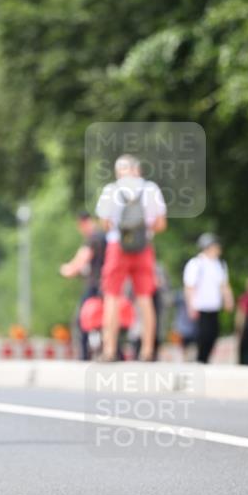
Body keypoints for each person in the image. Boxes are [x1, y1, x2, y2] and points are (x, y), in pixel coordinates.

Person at [95, 154, 167, 361]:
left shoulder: (111, 190)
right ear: (138, 169)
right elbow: (161, 224)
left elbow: (105, 223)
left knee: (112, 297)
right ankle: (147, 350)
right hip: (143, 247)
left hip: (118, 246)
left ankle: (109, 350)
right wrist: (143, 228)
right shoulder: (151, 189)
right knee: (145, 299)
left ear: (119, 171)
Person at [59, 211, 106, 359]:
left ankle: (84, 356)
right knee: (106, 320)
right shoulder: (105, 236)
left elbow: (81, 260)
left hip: (95, 286)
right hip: (109, 286)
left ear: (83, 223)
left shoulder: (93, 238)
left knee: (82, 320)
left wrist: (67, 270)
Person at [183, 233, 234, 363]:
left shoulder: (220, 264)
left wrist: (228, 299)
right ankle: (200, 358)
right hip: (200, 305)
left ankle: (205, 358)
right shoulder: (196, 264)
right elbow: (189, 287)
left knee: (213, 333)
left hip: (214, 305)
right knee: (203, 334)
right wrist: (190, 305)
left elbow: (224, 285)